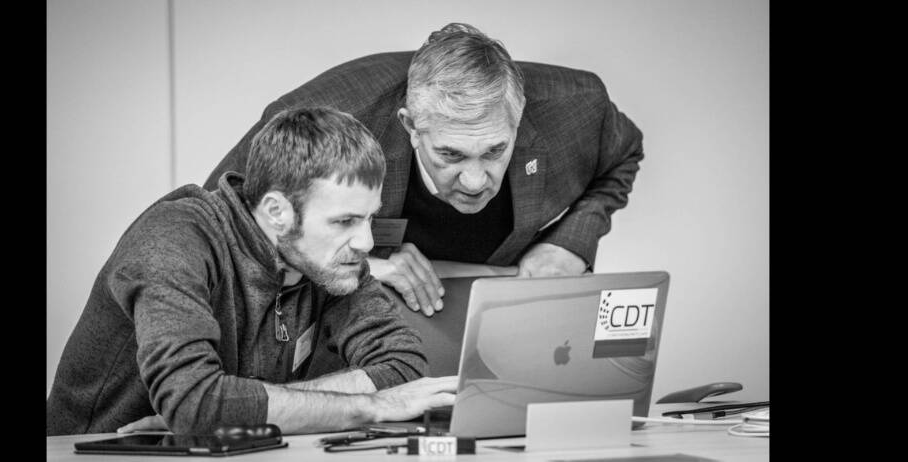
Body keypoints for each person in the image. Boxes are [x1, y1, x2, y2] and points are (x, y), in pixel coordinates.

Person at [46, 107, 456, 436]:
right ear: (277, 211)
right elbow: (196, 404)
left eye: (369, 218)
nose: (366, 243)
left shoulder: (328, 259)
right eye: (344, 221)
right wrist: (372, 405)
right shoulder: (173, 239)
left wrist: (238, 410)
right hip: (90, 450)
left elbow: (401, 366)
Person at [206, 23, 645, 318]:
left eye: (495, 150)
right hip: (352, 322)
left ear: (519, 116)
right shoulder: (326, 122)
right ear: (410, 126)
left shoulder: (578, 107)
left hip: (499, 314)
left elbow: (623, 156)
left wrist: (569, 244)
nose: (475, 181)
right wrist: (362, 265)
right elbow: (220, 226)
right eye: (451, 154)